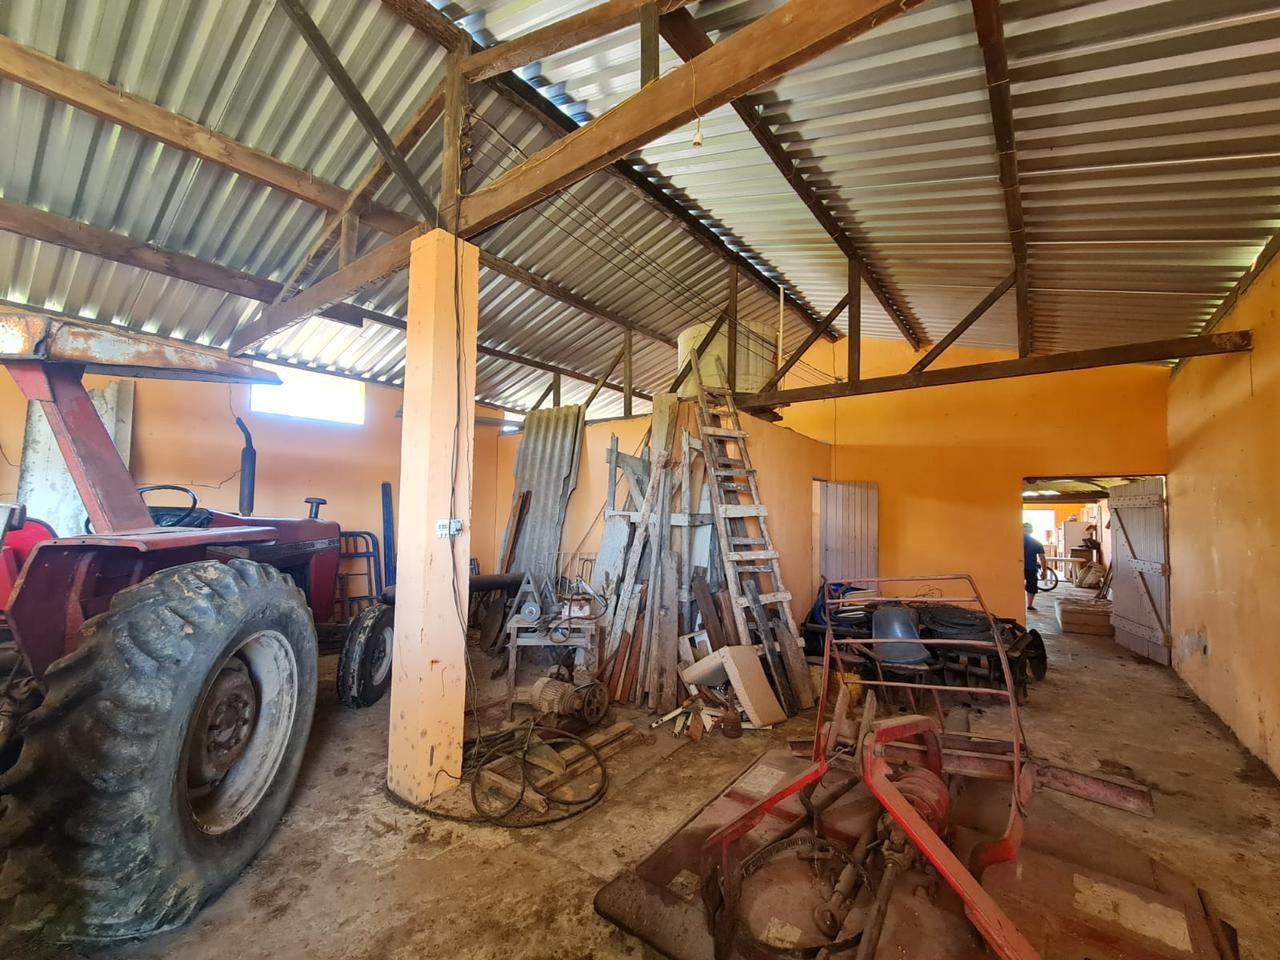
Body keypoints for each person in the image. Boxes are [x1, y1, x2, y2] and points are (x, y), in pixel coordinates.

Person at [1023, 522, 1047, 611]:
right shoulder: (1036, 543)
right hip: (1031, 568)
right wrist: (1044, 570)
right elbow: (1042, 558)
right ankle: (1029, 605)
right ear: (1031, 531)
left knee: (1016, 586)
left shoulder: (1016, 541)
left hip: (1017, 567)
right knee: (1032, 586)